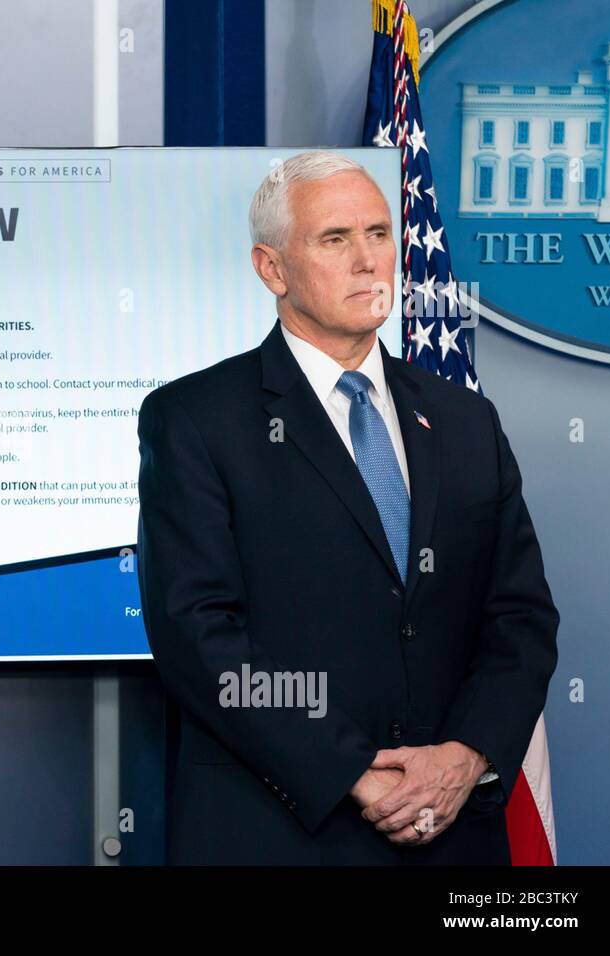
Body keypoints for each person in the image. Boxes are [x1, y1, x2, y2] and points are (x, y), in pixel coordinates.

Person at [137, 151, 559, 864]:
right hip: (283, 832)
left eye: (378, 233)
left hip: (453, 833)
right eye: (335, 239)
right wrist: (354, 774)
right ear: (271, 269)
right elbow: (199, 634)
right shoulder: (196, 419)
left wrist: (465, 755)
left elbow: (519, 616)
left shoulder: (464, 421)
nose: (369, 261)